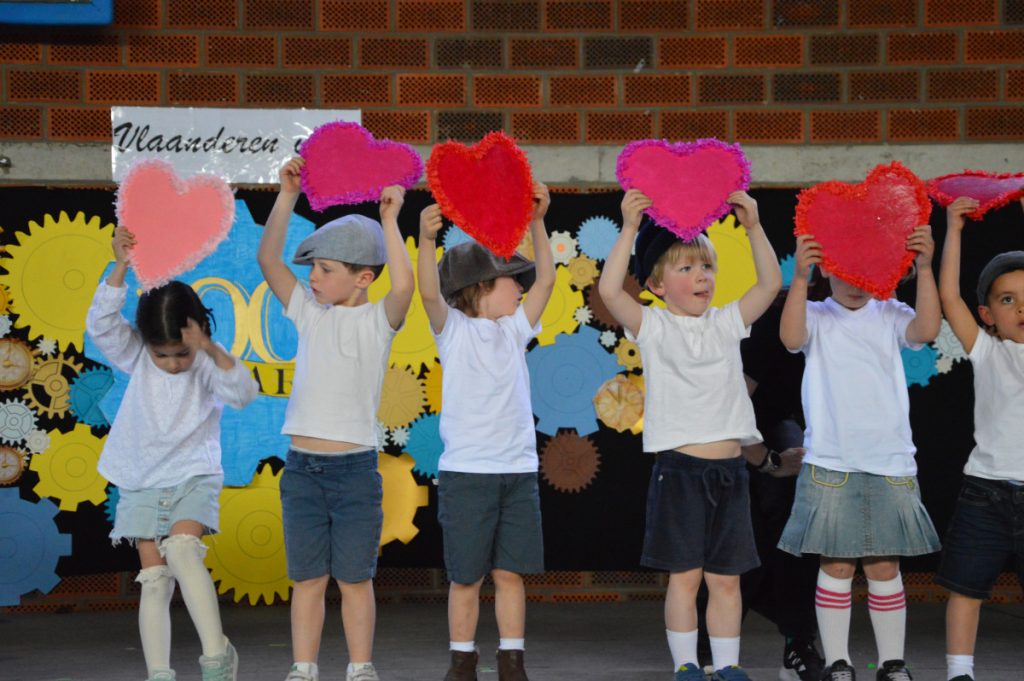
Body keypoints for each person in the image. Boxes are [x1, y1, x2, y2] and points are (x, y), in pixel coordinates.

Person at [597, 188, 782, 681]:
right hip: (680, 472)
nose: (702, 276)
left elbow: (770, 284)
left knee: (727, 580)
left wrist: (754, 226)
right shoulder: (654, 327)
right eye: (686, 268)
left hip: (730, 473)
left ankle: (728, 665)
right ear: (657, 285)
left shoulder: (726, 323)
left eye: (707, 266)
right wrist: (629, 228)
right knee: (685, 578)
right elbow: (611, 292)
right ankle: (686, 665)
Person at [257, 157, 414, 681]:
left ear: (363, 277)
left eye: (326, 269)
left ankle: (360, 666)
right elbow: (268, 259)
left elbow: (403, 288)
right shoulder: (309, 313)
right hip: (303, 470)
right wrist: (287, 195)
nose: (314, 278)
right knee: (307, 579)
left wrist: (390, 220)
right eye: (313, 269)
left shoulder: (376, 322)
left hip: (354, 473)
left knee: (354, 580)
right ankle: (303, 667)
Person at [87, 226, 259, 681]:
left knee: (182, 550)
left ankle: (216, 657)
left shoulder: (206, 361)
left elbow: (243, 392)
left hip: (192, 474)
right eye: (162, 355)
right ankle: (160, 673)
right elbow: (102, 325)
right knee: (154, 581)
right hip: (142, 477)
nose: (173, 363)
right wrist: (120, 266)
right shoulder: (137, 354)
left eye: (180, 353)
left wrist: (209, 350)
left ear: (197, 334)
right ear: (146, 343)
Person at [778, 224, 943, 681]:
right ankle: (838, 662)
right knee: (835, 564)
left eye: (865, 273)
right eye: (845, 271)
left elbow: (927, 329)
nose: (854, 284)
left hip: (889, 464)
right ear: (827, 269)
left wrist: (926, 267)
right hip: (831, 465)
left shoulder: (890, 313)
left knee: (884, 564)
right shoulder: (816, 314)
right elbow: (790, 338)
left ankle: (891, 663)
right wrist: (800, 277)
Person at [416, 182, 555, 681]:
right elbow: (428, 292)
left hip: (516, 472)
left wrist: (538, 221)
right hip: (467, 474)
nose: (519, 288)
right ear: (478, 288)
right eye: (509, 280)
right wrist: (426, 240)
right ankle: (462, 659)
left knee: (511, 573)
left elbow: (546, 283)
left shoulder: (514, 330)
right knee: (466, 576)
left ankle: (512, 659)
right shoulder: (454, 330)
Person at [936, 196, 1024, 681]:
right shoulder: (988, 351)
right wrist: (954, 227)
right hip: (986, 492)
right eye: (1007, 300)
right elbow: (949, 297)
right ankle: (959, 671)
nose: (1021, 307)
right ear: (987, 314)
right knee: (965, 588)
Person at [738, 292, 825, 681]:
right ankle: (707, 645)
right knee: (769, 523)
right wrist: (767, 461)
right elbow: (733, 403)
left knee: (799, 526)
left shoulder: (859, 317)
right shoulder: (772, 320)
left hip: (814, 439)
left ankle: (798, 641)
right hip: (750, 440)